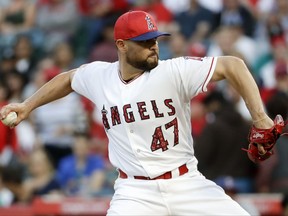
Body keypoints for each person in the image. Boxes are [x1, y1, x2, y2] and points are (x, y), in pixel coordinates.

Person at [0, 10, 275, 215]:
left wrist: (260, 118)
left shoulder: (173, 70)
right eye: (144, 42)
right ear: (121, 45)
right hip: (135, 193)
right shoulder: (100, 76)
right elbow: (68, 79)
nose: (153, 46)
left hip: (185, 182)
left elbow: (233, 65)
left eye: (154, 39)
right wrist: (27, 105)